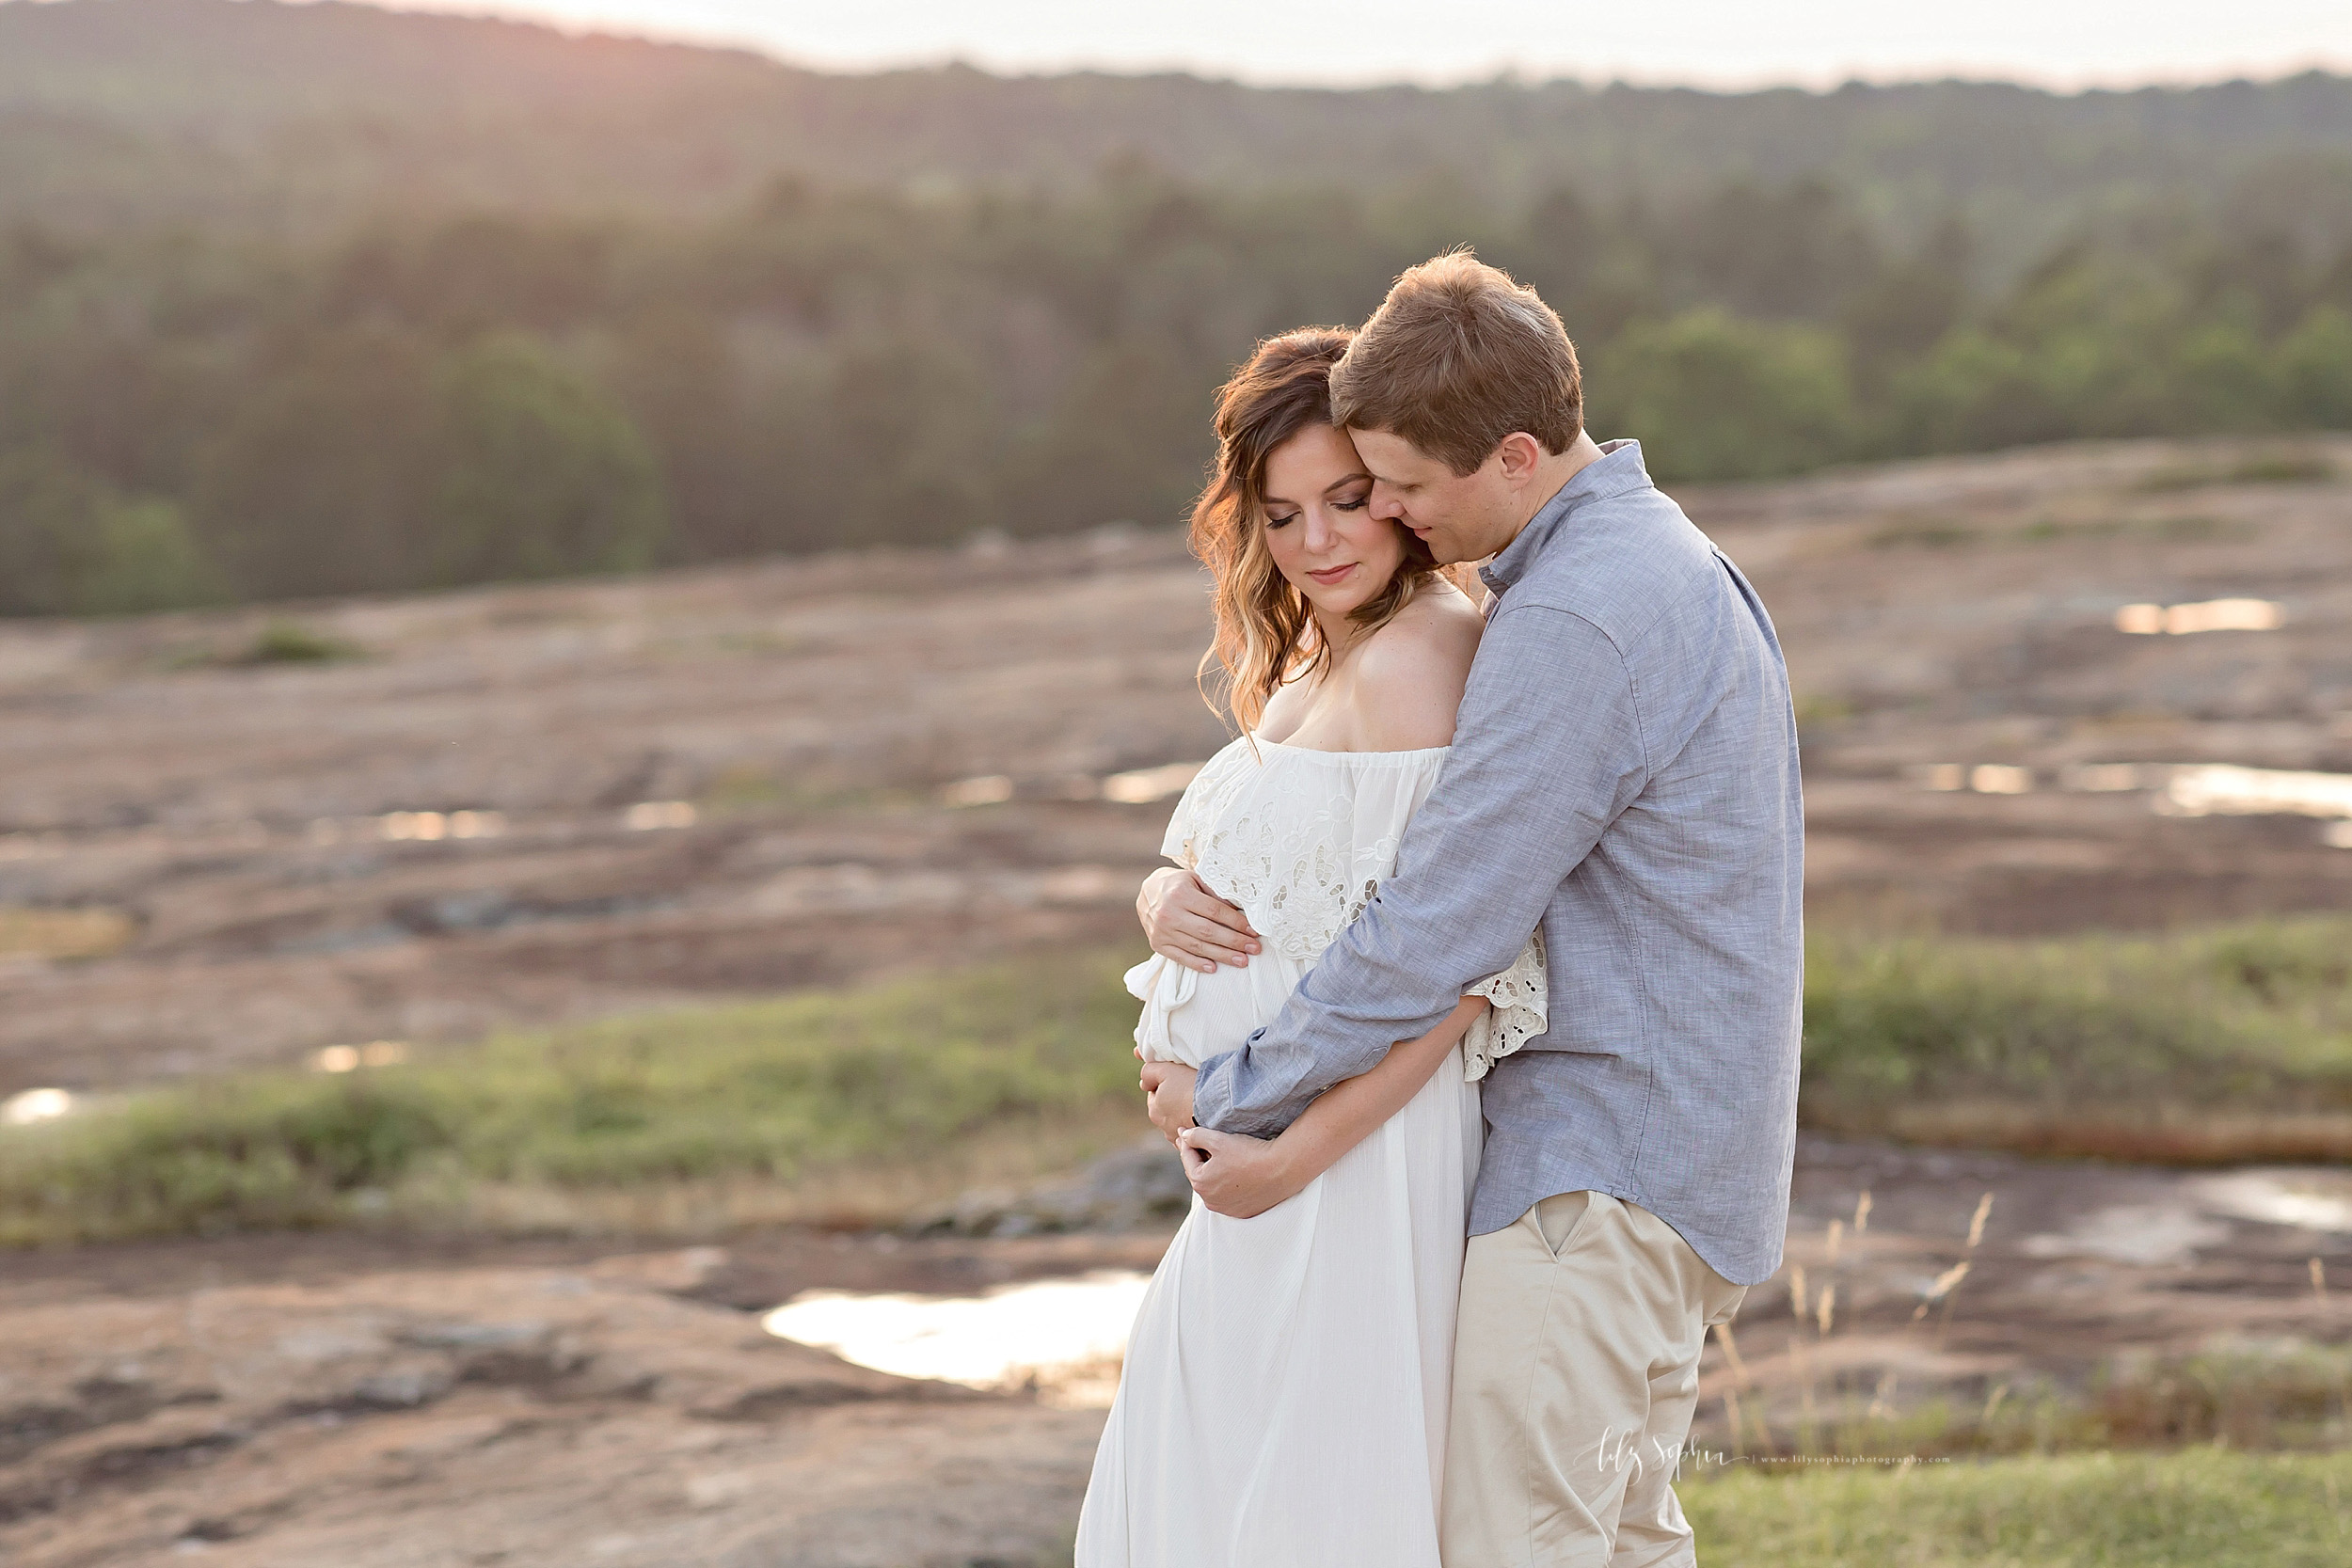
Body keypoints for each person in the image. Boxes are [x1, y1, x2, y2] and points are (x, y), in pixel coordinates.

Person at [1138, 252, 1804, 1567]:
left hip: (1598, 1176)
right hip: (1648, 1169)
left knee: (1521, 1546)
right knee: (1613, 1543)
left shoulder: (1577, 618)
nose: (1381, 512)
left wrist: (1232, 1090)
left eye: (1396, 486)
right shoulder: (1644, 557)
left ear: (1508, 455)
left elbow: (1440, 932)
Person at [1073, 325, 1548, 1568]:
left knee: (1312, 1503)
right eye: (1280, 517)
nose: (1318, 541)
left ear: (1400, 492)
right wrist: (1159, 897)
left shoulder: (1425, 656)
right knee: (1225, 1493)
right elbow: (1276, 872)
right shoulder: (1314, 663)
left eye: (1346, 500)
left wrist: (1292, 1155)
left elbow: (1471, 963)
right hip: (1260, 1155)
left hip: (1351, 1157)